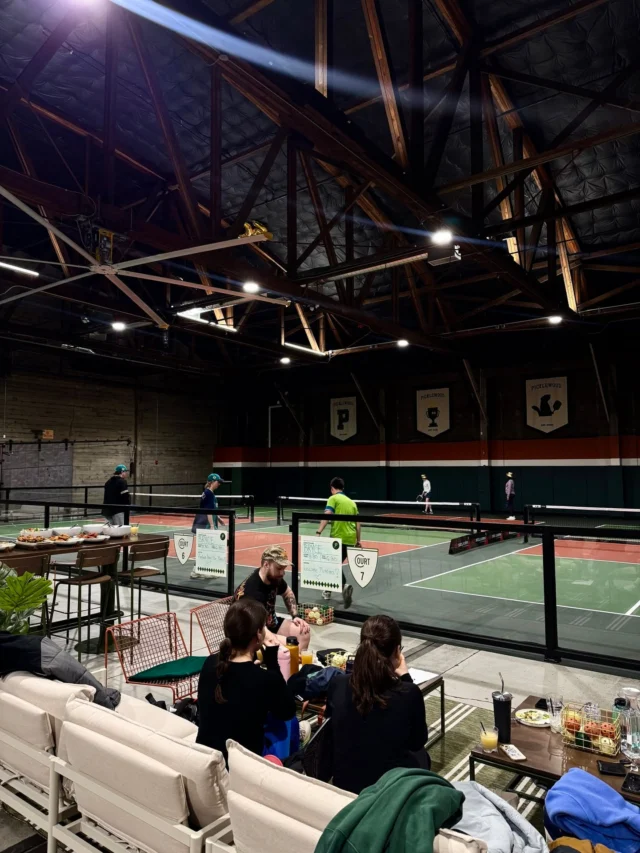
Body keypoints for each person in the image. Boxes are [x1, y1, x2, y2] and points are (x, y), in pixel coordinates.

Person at [327, 614, 430, 794]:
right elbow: (417, 741)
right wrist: (405, 677)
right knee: (422, 756)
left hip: (345, 782)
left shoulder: (338, 684)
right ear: (397, 652)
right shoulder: (408, 693)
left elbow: (331, 729)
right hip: (387, 790)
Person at [196, 598, 296, 762]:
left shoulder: (210, 663)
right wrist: (272, 662)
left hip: (206, 756)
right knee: (286, 724)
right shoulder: (264, 679)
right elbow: (288, 711)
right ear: (258, 634)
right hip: (242, 765)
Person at [234, 545, 311, 650]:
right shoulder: (252, 591)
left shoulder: (274, 578)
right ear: (266, 564)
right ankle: (292, 658)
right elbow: (254, 628)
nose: (282, 573)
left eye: (284, 568)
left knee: (303, 632)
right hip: (251, 633)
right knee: (291, 645)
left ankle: (298, 660)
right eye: (279, 568)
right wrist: (277, 640)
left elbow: (287, 592)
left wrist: (295, 616)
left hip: (268, 623)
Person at [315, 477, 361, 610]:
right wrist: (358, 540)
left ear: (332, 488)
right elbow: (358, 523)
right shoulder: (352, 503)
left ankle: (344, 586)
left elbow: (327, 515)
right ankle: (327, 590)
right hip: (350, 539)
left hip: (337, 538)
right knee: (334, 564)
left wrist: (318, 532)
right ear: (343, 488)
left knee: (331, 565)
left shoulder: (333, 498)